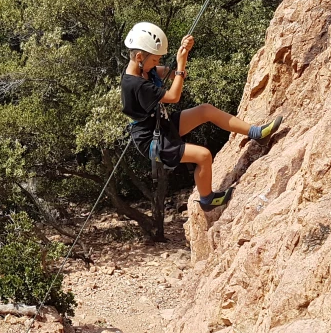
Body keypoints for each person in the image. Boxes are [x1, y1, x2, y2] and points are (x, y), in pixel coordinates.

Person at [121, 22, 283, 212]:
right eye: (155, 59)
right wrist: (180, 66)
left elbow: (162, 71)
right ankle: (207, 200)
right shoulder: (136, 84)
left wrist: (180, 56)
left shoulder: (142, 68)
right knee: (203, 156)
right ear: (140, 56)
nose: (157, 63)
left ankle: (256, 133)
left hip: (160, 124)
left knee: (205, 110)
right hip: (153, 140)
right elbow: (173, 97)